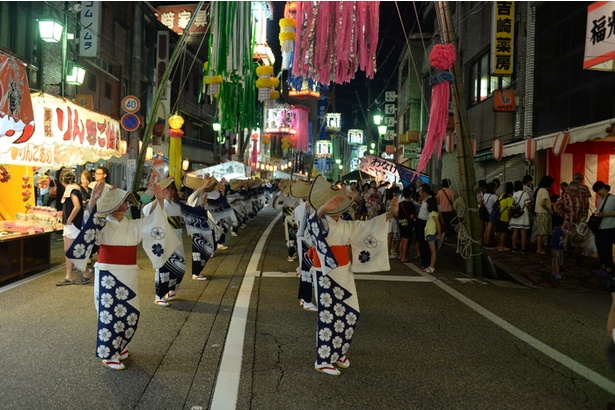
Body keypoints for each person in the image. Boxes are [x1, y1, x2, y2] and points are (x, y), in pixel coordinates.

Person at [66, 180, 180, 370]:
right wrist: (93, 201)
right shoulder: (101, 224)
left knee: (130, 313)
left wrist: (159, 200)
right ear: (110, 207)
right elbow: (88, 224)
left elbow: (154, 222)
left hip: (128, 272)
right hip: (107, 273)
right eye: (118, 203)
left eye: (125, 203)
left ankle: (121, 344)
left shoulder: (134, 225)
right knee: (108, 314)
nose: (123, 207)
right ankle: (108, 353)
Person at [307, 176, 398, 376]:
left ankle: (338, 352)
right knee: (328, 316)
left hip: (344, 272)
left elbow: (370, 226)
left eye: (340, 208)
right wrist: (321, 209)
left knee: (350, 313)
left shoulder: (347, 225)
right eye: (335, 208)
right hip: (325, 273)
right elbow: (312, 229)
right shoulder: (321, 222)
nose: (339, 211)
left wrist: (391, 213)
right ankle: (323, 359)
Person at [142, 177, 188, 306]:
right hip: (163, 240)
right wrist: (158, 199)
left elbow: (192, 213)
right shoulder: (158, 204)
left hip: (177, 238)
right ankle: (159, 295)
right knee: (163, 267)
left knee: (180, 266)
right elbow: (146, 211)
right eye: (166, 189)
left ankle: (171, 290)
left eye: (171, 189)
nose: (169, 191)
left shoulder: (177, 206)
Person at [56, 169, 90, 286]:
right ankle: (72, 274)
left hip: (73, 224)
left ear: (62, 180)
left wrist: (69, 219)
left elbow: (77, 206)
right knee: (69, 250)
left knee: (72, 250)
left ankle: (79, 274)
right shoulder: (73, 189)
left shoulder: (73, 190)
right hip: (70, 224)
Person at [591, 181, 615, 278]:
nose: (599, 193)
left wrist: (605, 215)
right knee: (600, 248)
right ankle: (603, 267)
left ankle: (609, 268)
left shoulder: (613, 198)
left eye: (599, 190)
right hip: (600, 227)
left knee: (606, 248)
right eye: (597, 192)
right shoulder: (600, 199)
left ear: (604, 188)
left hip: (609, 227)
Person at [534, 175, 555, 255]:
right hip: (543, 213)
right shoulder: (545, 191)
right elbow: (542, 203)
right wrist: (550, 210)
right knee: (542, 232)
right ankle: (540, 249)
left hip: (539, 212)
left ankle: (539, 248)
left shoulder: (539, 190)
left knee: (539, 232)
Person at [509, 180, 531, 254]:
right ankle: (523, 248)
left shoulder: (514, 194)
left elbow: (513, 204)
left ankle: (514, 247)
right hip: (523, 214)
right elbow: (527, 204)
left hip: (515, 214)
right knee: (523, 231)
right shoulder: (525, 194)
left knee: (515, 231)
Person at [416, 184, 434, 270]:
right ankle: (423, 261)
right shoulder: (424, 201)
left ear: (424, 192)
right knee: (421, 242)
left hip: (426, 223)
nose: (419, 193)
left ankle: (426, 263)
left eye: (420, 191)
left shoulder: (430, 201)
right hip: (420, 222)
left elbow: (433, 214)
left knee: (425, 244)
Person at [397, 186, 417, 263]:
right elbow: (412, 216)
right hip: (408, 224)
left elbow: (398, 214)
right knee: (406, 240)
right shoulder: (411, 205)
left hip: (401, 222)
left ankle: (400, 255)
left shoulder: (400, 204)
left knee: (402, 238)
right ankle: (404, 257)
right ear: (410, 195)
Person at [422, 197, 441, 273]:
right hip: (429, 233)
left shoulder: (433, 213)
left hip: (431, 233)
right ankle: (430, 266)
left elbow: (438, 224)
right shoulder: (433, 213)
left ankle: (431, 267)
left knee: (433, 251)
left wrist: (439, 234)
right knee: (432, 251)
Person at [495, 182, 514, 251]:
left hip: (498, 216)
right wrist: (509, 218)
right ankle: (502, 247)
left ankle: (499, 245)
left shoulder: (502, 196)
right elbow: (509, 209)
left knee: (499, 232)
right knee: (504, 232)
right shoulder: (510, 198)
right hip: (504, 217)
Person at [481, 182, 498, 248]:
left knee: (486, 229)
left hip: (485, 214)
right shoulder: (494, 197)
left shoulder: (484, 195)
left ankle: (485, 242)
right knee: (489, 229)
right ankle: (487, 243)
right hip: (491, 214)